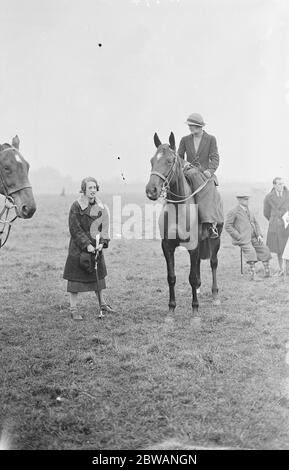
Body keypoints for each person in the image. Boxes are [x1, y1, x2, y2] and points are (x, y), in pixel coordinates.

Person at [63, 177, 112, 320]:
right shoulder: (76, 206)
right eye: (89, 188)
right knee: (75, 281)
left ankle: (102, 304)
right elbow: (75, 229)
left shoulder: (101, 207)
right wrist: (87, 245)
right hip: (79, 249)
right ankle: (73, 309)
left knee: (99, 278)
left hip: (96, 247)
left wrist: (103, 242)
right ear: (83, 189)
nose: (93, 190)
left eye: (95, 187)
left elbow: (105, 227)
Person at [178, 113, 223, 238]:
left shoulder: (211, 139)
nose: (190, 128)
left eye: (191, 126)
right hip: (188, 171)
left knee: (210, 188)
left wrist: (210, 170)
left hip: (205, 174)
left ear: (199, 126)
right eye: (189, 126)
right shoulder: (184, 140)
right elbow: (179, 157)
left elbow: (215, 158)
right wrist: (185, 163)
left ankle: (210, 225)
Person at [225, 195, 271, 280]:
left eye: (247, 199)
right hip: (243, 239)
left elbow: (256, 223)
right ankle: (252, 275)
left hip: (253, 237)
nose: (247, 201)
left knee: (264, 249)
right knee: (251, 252)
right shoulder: (234, 211)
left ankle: (267, 272)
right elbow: (228, 226)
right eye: (244, 199)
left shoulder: (249, 210)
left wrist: (259, 235)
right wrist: (238, 236)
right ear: (239, 200)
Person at [263, 177, 289, 275]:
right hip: (276, 226)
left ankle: (287, 269)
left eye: (282, 183)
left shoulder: (288, 195)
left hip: (287, 225)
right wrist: (274, 220)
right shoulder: (268, 197)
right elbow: (266, 212)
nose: (281, 186)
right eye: (279, 184)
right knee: (279, 249)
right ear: (274, 185)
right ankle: (281, 269)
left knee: (287, 247)